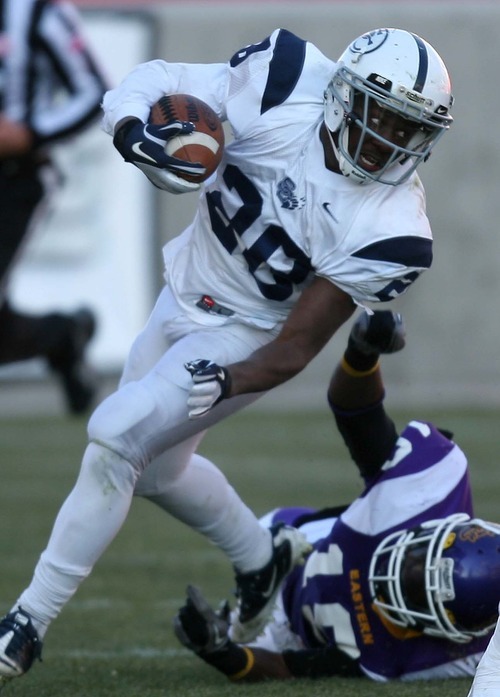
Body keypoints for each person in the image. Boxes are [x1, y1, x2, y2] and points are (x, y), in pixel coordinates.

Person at [0, 27, 454, 689]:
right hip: (185, 286)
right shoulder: (288, 79)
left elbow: (297, 344)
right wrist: (135, 132)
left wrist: (228, 379)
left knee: (115, 436)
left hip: (246, 334)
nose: (388, 137)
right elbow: (153, 78)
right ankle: (260, 556)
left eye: (408, 127)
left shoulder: (395, 230)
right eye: (380, 113)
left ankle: (26, 623)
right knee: (157, 473)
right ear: (342, 92)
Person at [174, 310, 500, 683]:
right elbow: (357, 413)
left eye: (415, 593)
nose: (399, 576)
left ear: (449, 631)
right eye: (415, 561)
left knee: (242, 637)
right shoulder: (428, 485)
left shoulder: (447, 657)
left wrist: (220, 652)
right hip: (297, 538)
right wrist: (362, 352)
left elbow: (294, 668)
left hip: (287, 632)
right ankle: (266, 558)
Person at [0, 0, 108, 414]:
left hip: (13, 178)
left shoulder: (35, 11)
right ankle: (60, 336)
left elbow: (94, 91)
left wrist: (30, 134)